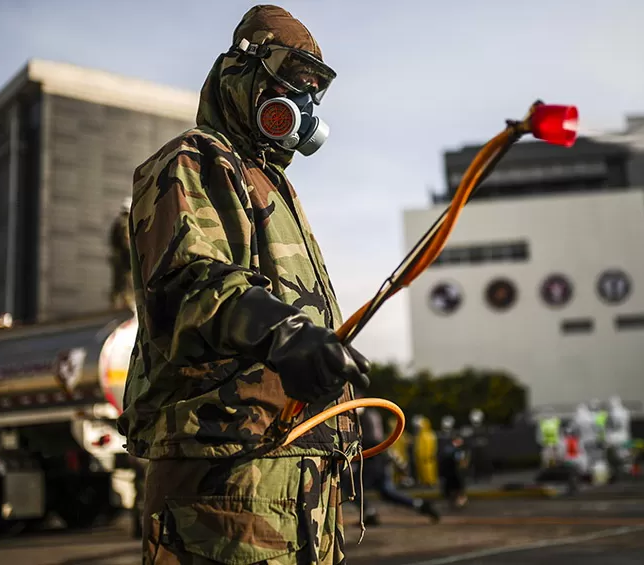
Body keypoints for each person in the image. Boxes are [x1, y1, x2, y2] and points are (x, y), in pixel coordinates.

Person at [116, 6, 372, 564]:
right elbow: (189, 284)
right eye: (292, 80)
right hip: (227, 482)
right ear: (243, 74)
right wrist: (284, 334)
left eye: (313, 88)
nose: (303, 100)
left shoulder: (274, 186)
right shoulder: (194, 158)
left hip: (297, 478)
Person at [344, 393, 439, 527]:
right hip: (378, 459)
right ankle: (419, 504)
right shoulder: (372, 414)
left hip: (372, 459)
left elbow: (371, 440)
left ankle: (369, 513)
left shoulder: (363, 416)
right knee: (386, 492)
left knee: (351, 488)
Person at [109, 196, 134, 311]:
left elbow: (112, 241)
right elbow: (127, 242)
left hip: (119, 260)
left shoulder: (117, 222)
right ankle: (125, 306)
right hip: (125, 260)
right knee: (127, 284)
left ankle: (117, 305)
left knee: (118, 284)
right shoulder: (126, 223)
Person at [605, 395, 632, 476]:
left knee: (615, 453)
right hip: (625, 434)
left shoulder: (612, 413)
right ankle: (627, 470)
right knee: (625, 453)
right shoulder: (625, 411)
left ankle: (616, 471)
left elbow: (611, 426)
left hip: (616, 436)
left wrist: (608, 437)